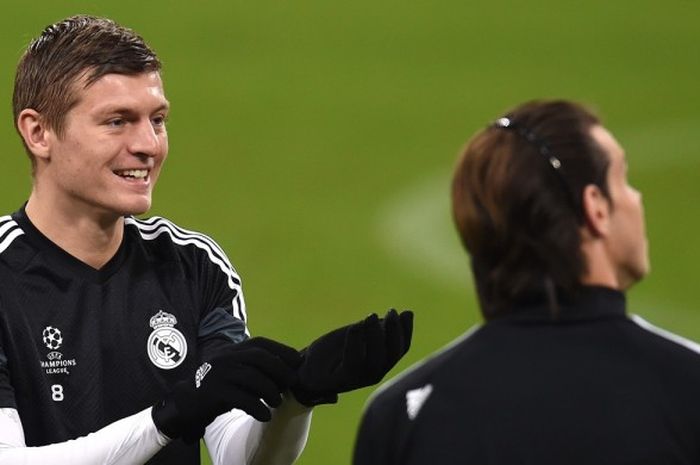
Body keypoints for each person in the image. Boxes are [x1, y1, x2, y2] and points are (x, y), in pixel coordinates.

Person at [0, 15, 413, 465]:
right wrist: (168, 417)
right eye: (118, 121)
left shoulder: (194, 266)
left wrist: (298, 397)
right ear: (38, 132)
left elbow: (238, 455)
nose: (149, 145)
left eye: (157, 120)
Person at [353, 100, 700, 464]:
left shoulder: (402, 415)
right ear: (596, 208)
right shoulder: (688, 387)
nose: (636, 197)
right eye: (623, 179)